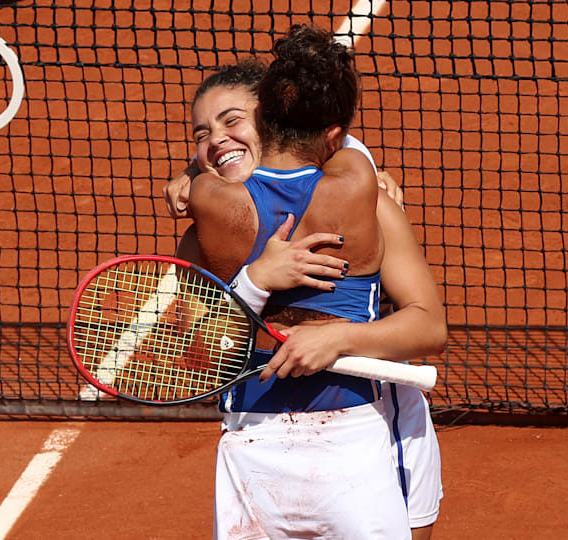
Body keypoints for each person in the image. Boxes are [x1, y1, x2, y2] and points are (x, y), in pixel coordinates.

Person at [182, 25, 446, 538]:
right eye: (203, 134)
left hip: (281, 442)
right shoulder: (359, 188)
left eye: (232, 122)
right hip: (327, 445)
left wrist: (335, 337)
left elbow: (425, 325)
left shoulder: (206, 210)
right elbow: (193, 353)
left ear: (265, 120)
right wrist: (255, 281)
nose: (217, 141)